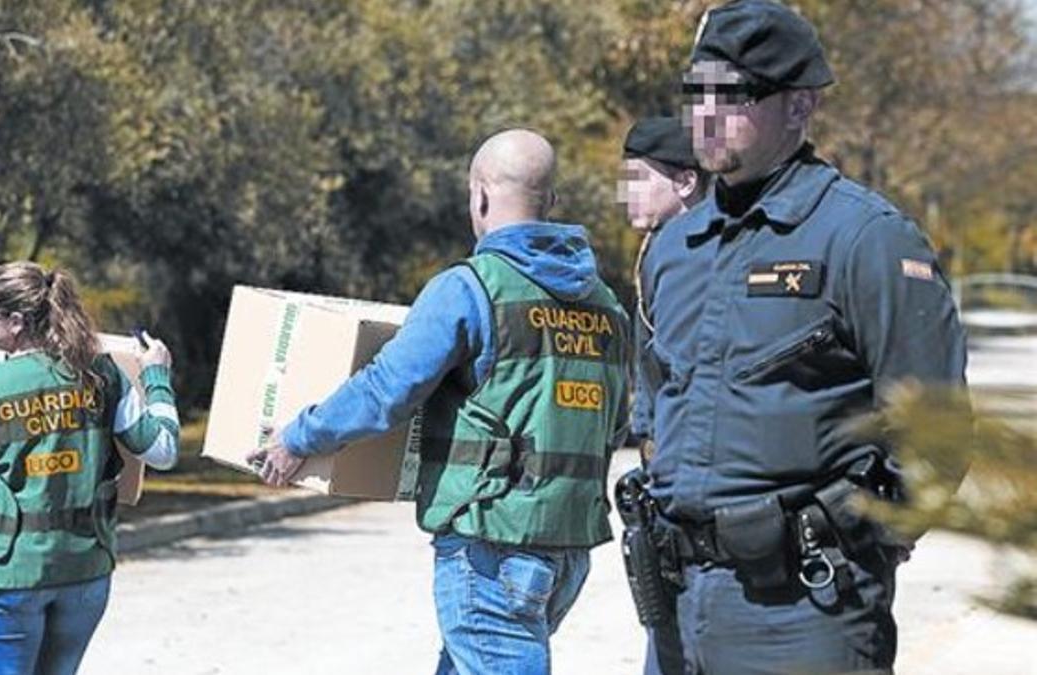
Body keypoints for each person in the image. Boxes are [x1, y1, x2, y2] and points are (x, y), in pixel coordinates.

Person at [624, 1, 968, 673]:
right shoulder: (674, 247)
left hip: (806, 610)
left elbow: (937, 433)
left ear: (801, 106)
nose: (707, 112)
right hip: (681, 606)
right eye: (696, 91)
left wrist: (860, 544)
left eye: (737, 93)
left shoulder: (865, 238)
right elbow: (652, 407)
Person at [247, 128, 632, 674]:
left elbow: (386, 390)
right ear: (552, 201)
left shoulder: (471, 288)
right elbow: (613, 423)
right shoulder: (606, 306)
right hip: (566, 550)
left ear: (479, 194)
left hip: (491, 547)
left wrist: (298, 437)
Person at [0, 261, 180, 675]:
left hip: (8, 573)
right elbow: (163, 449)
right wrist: (157, 377)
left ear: (16, 322)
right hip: (85, 568)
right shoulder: (102, 375)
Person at [617, 117, 709, 452]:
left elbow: (681, 365)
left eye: (639, 179)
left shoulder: (690, 253)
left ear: (685, 182)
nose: (627, 192)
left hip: (687, 445)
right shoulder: (662, 244)